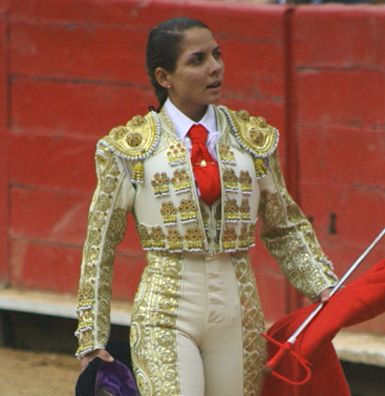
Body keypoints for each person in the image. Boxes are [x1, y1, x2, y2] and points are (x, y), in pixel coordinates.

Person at [75, 17, 337, 396]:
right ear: (165, 77)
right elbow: (100, 246)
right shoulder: (128, 149)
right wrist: (92, 337)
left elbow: (285, 226)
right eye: (197, 60)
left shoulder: (253, 140)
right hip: (165, 309)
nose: (215, 67)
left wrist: (324, 286)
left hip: (239, 311)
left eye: (217, 55)